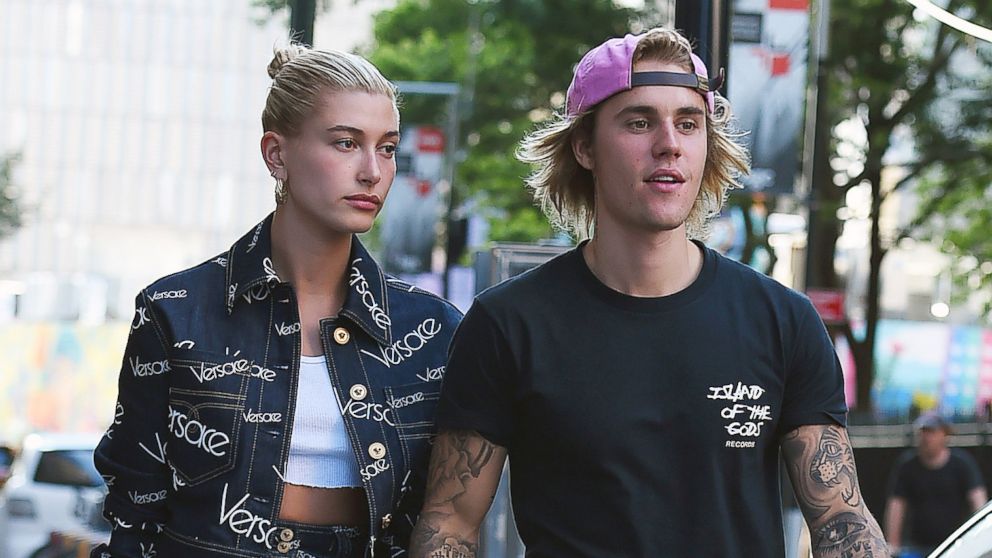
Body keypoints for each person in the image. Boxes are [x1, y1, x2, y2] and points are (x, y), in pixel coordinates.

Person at [409, 27, 887, 558]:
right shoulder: (507, 323)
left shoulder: (783, 321)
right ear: (585, 146)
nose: (669, 143)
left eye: (689, 123)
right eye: (639, 122)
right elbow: (449, 523)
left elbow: (841, 519)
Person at [91, 44, 462, 558]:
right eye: (345, 143)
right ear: (276, 154)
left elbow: (445, 519)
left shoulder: (432, 330)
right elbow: (134, 510)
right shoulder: (174, 310)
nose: (372, 172)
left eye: (388, 147)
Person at [884, 413, 987, 555]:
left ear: (945, 435)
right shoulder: (907, 466)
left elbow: (978, 501)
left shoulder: (962, 464)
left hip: (955, 545)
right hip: (916, 547)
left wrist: (980, 539)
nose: (926, 438)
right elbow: (896, 505)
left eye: (931, 432)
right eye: (923, 432)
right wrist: (893, 544)